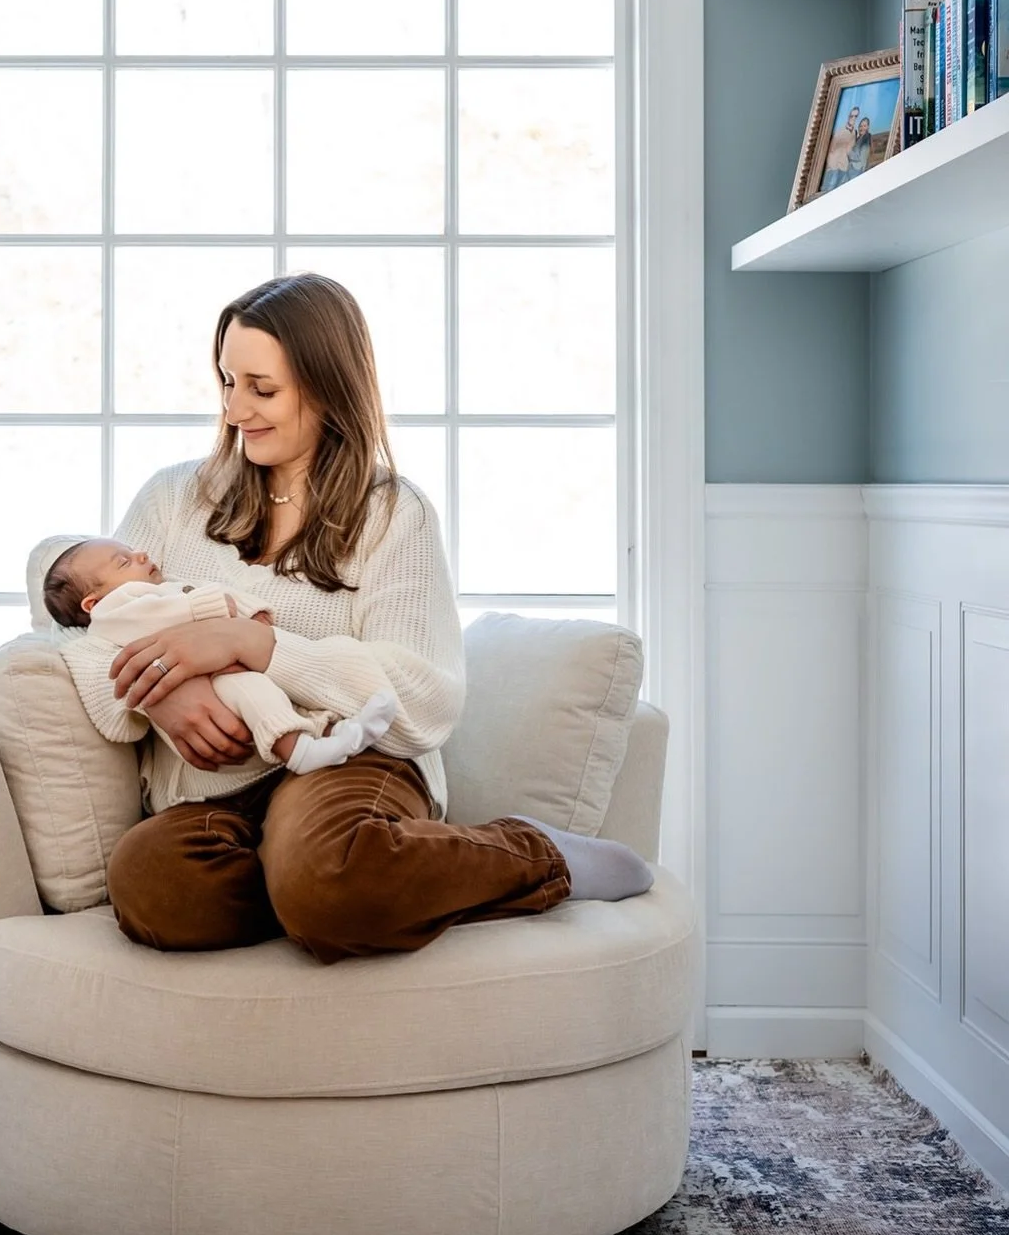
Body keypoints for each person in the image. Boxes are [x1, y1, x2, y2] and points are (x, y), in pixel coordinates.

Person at [81, 273, 651, 965]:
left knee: (325, 876)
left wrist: (256, 645)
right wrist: (164, 689)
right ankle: (330, 885)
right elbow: (84, 627)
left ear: (326, 386)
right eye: (227, 382)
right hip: (219, 788)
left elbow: (422, 700)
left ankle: (536, 854)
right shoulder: (174, 498)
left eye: (262, 389)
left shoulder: (392, 514)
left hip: (348, 760)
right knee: (153, 886)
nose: (235, 411)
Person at [35, 533, 399, 802]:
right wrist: (218, 614)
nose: (142, 553)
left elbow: (207, 610)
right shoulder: (117, 610)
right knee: (253, 692)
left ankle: (327, 734)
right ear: (92, 603)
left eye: (131, 552)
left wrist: (247, 624)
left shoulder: (156, 590)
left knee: (265, 691)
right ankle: (303, 750)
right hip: (211, 699)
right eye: (124, 561)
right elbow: (183, 608)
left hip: (221, 676)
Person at [822, 107, 858, 191]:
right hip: (835, 167)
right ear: (848, 116)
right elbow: (831, 149)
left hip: (844, 167)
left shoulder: (854, 133)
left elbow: (850, 150)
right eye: (851, 116)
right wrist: (831, 165)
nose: (853, 118)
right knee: (829, 190)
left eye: (855, 116)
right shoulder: (839, 131)